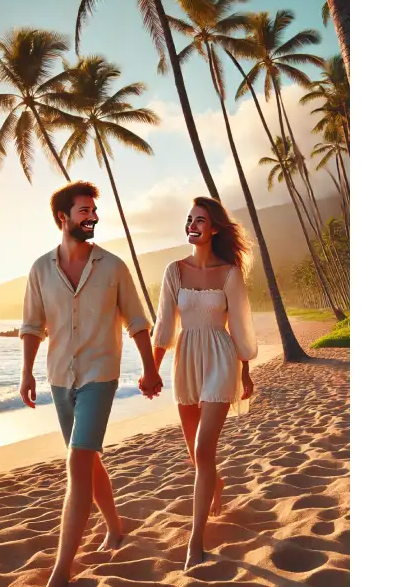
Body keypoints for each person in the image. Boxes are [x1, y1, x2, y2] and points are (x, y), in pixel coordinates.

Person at [18, 180, 163, 587]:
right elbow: (32, 326)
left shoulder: (114, 266)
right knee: (89, 459)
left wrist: (150, 369)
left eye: (94, 212)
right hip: (60, 379)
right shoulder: (39, 270)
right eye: (84, 211)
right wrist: (26, 372)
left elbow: (137, 322)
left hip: (101, 376)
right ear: (62, 218)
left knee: (77, 462)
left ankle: (62, 571)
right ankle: (115, 528)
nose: (93, 217)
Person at [152, 196, 258, 570]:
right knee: (196, 454)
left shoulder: (229, 272)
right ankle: (217, 481)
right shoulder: (173, 271)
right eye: (189, 219)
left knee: (202, 450)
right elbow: (164, 324)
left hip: (220, 358)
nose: (192, 224)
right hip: (186, 360)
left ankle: (195, 540)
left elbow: (242, 325)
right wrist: (152, 369)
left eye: (200, 220)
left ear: (214, 228)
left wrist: (246, 371)